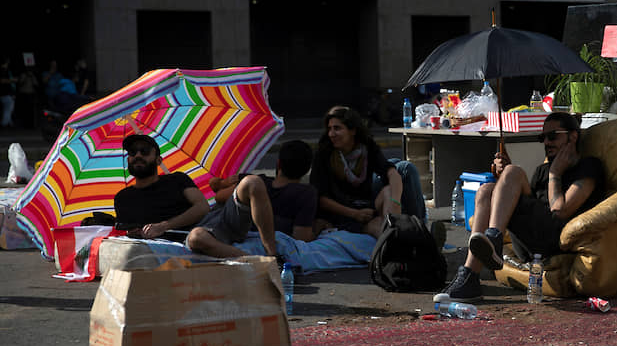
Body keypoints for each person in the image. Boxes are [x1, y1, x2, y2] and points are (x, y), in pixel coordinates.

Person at [435, 113, 606, 302]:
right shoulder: (543, 170)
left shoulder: (588, 166)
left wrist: (555, 173)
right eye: (542, 138)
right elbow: (526, 207)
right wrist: (503, 177)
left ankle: (493, 240)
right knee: (485, 190)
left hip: (556, 241)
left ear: (573, 136)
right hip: (530, 241)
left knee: (513, 172)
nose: (546, 143)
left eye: (553, 136)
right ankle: (469, 275)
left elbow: (560, 211)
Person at [113, 134, 279, 259]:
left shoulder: (177, 179)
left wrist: (163, 225)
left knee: (253, 182)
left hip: (217, 221)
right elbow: (129, 231)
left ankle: (272, 255)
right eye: (132, 152)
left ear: (158, 160)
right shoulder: (123, 198)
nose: (137, 156)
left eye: (144, 151)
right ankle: (255, 262)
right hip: (195, 237)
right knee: (197, 237)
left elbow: (202, 207)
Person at [310, 105, 426, 238]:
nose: (331, 134)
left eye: (337, 128)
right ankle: (412, 236)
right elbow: (321, 199)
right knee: (380, 227)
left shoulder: (366, 147)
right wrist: (355, 214)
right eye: (329, 129)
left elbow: (390, 171)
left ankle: (415, 228)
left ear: (352, 130)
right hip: (343, 212)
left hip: (367, 205)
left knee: (404, 169)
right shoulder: (324, 154)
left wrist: (395, 201)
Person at [210, 140, 320, 241]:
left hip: (239, 236)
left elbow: (219, 196)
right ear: (306, 170)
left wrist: (223, 182)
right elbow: (301, 237)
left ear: (278, 164)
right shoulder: (306, 194)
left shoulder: (256, 182)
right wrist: (318, 229)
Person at [0, 58, 16, 128]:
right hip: (5, 94)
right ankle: (4, 124)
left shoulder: (7, 71)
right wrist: (12, 80)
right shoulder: (2, 70)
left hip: (8, 94)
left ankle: (9, 123)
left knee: (9, 109)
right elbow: (2, 81)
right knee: (8, 109)